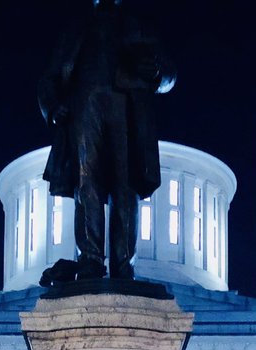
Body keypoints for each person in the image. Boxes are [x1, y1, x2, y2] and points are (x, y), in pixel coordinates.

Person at [39, 0, 176, 282]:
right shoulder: (77, 29)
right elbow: (51, 78)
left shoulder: (139, 26)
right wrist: (53, 108)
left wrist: (157, 71)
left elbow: (169, 75)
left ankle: (123, 263)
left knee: (126, 188)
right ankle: (90, 260)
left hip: (127, 110)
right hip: (85, 108)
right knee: (86, 183)